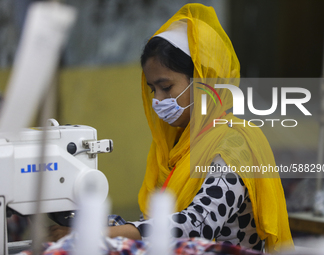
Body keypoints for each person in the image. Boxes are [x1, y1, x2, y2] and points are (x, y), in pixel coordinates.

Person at [50, 3, 294, 253]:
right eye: (153, 89)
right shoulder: (178, 147)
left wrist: (98, 232)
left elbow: (195, 224)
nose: (158, 99)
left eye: (166, 87)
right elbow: (153, 224)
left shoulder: (234, 145)